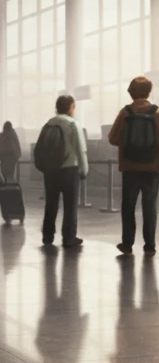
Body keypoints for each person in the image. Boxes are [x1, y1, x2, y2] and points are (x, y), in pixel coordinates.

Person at [108, 76, 159, 256]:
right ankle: (149, 245)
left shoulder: (125, 113)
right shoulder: (157, 113)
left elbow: (112, 138)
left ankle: (127, 243)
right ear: (149, 92)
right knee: (149, 206)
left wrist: (128, 142)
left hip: (129, 167)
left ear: (131, 93)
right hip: (152, 167)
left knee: (128, 206)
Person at [38, 95, 88, 250]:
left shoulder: (49, 123)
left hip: (51, 170)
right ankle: (69, 237)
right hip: (69, 169)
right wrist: (84, 170)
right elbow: (81, 149)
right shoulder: (73, 124)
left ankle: (47, 235)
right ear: (71, 107)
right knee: (70, 206)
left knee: (51, 203)